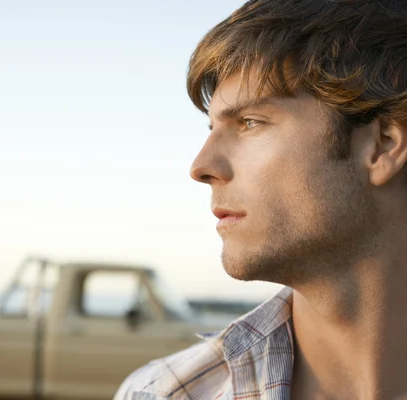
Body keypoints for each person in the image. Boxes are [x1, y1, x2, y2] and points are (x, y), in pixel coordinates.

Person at [114, 0, 407, 399]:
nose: (201, 166)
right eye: (212, 127)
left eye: (250, 122)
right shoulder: (163, 393)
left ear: (382, 146)